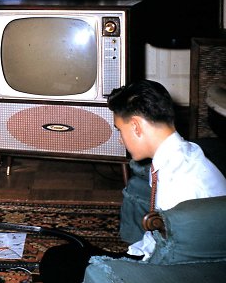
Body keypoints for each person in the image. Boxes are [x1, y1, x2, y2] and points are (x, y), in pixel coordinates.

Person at [39, 79, 226, 283]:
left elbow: (167, 262)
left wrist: (123, 264)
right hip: (159, 252)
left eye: (120, 129)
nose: (120, 139)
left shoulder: (180, 184)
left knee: (56, 262)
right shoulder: (184, 155)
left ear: (136, 126)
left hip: (167, 268)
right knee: (65, 255)